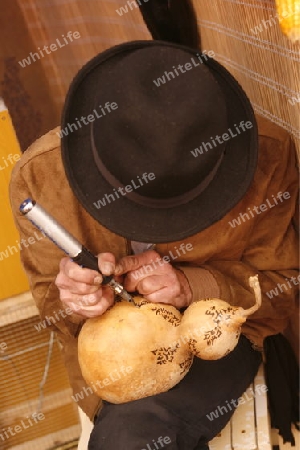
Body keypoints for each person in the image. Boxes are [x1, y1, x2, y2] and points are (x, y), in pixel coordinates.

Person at [10, 40, 299, 449]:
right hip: (107, 359)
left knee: (136, 433)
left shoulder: (268, 156)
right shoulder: (39, 178)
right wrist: (74, 301)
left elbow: (282, 290)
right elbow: (52, 308)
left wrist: (191, 286)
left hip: (214, 342)